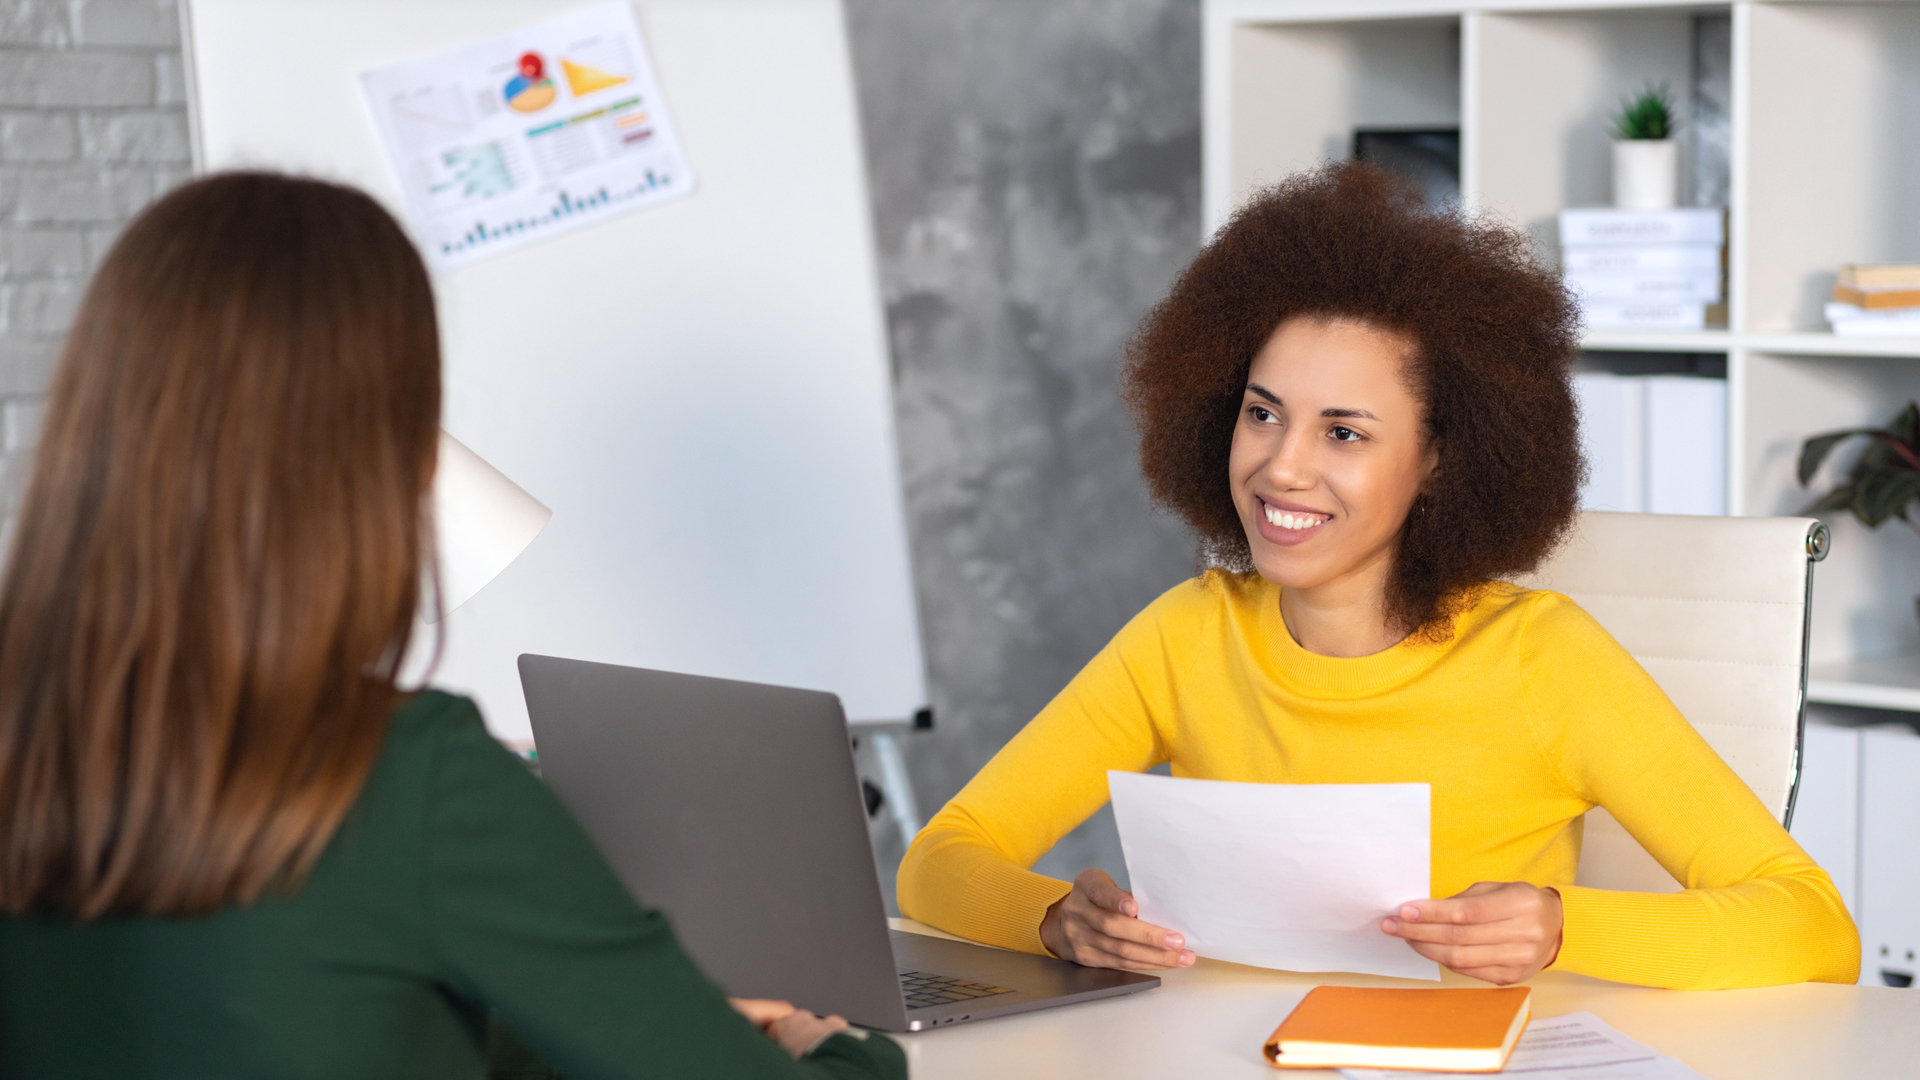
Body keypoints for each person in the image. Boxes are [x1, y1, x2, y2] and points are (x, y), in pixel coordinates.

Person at [0, 173, 906, 1080]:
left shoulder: (28, 746)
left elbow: (331, 1007)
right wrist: (835, 1049)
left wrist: (631, 1020)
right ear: (373, 447)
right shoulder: (412, 779)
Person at [897, 161, 1858, 991]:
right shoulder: (1187, 636)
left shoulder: (1539, 661)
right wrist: (1055, 919)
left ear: (1441, 458)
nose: (1281, 468)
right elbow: (939, 859)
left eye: (1344, 432)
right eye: (1263, 413)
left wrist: (1567, 929)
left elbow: (1814, 926)